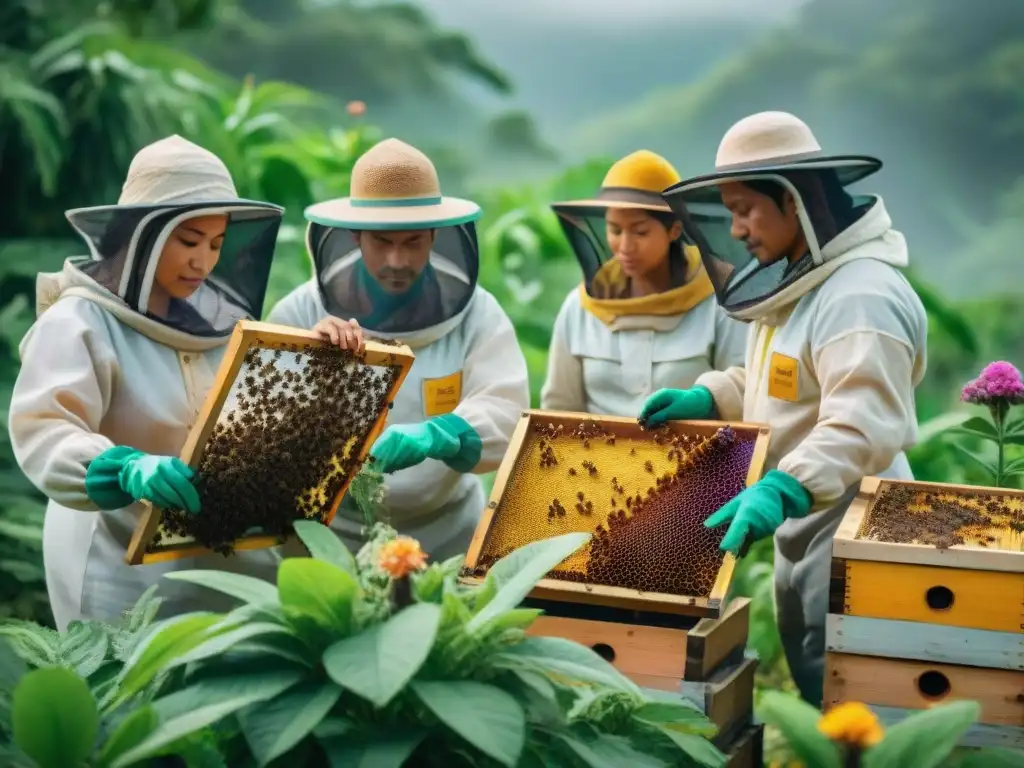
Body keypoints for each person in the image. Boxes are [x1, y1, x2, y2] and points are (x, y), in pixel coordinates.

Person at [638, 111, 928, 706]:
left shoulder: (861, 295)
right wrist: (711, 396)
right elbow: (778, 383)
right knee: (815, 676)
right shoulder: (802, 284)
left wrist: (781, 488)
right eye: (730, 210)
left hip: (857, 520)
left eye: (745, 208)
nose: (737, 229)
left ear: (793, 200)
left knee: (863, 704)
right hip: (806, 513)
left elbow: (863, 423)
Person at [7, 135, 286, 631]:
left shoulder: (221, 327)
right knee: (123, 694)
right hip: (111, 552)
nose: (204, 262)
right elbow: (45, 427)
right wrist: (121, 467)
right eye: (189, 241)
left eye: (217, 245)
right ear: (144, 236)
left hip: (211, 550)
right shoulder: (80, 322)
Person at [267, 138, 529, 561]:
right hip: (328, 540)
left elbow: (507, 410)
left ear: (434, 237)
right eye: (381, 242)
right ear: (355, 237)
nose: (397, 260)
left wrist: (442, 434)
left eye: (412, 242)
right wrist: (311, 370)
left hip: (446, 537)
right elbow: (263, 439)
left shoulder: (478, 313)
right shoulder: (299, 312)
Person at [541, 150, 747, 415]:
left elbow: (749, 388)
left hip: (698, 455)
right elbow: (558, 409)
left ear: (674, 229)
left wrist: (711, 399)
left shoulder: (719, 302)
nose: (624, 246)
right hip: (595, 456)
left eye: (640, 231)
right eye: (615, 230)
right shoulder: (578, 308)